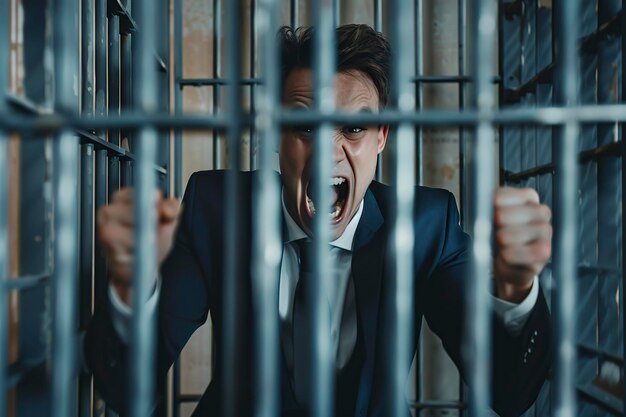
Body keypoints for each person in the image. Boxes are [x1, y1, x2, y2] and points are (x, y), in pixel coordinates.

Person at [85, 24, 553, 417]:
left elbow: (509, 394)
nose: (329, 151)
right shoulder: (216, 209)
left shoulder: (428, 223)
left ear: (382, 137)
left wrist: (515, 294)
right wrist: (131, 283)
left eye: (353, 128)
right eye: (305, 125)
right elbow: (127, 387)